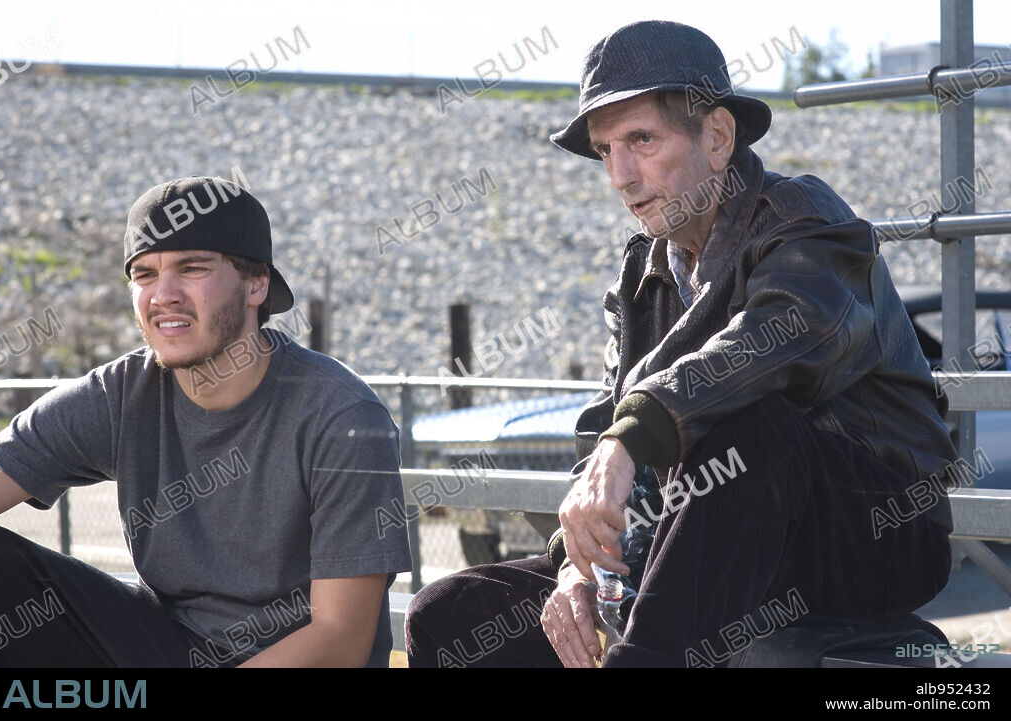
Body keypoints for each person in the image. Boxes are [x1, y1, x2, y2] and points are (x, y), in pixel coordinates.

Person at [405, 20, 956, 668]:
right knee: (447, 613)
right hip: (690, 548)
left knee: (747, 424)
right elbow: (601, 429)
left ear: (717, 137)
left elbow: (777, 341)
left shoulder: (804, 218)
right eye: (606, 150)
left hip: (871, 535)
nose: (620, 174)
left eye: (642, 140)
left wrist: (629, 439)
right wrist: (576, 567)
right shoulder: (639, 275)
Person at [0, 176, 411, 668]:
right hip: (162, 644)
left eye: (192, 268)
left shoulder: (342, 416)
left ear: (257, 284)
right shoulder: (119, 394)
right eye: (144, 274)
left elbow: (340, 641)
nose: (163, 295)